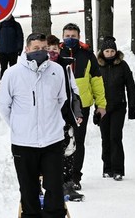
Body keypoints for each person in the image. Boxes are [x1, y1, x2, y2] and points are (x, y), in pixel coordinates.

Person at [0, 32, 68, 218]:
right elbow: (4, 106)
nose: (40, 51)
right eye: (36, 48)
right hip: (24, 142)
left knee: (54, 188)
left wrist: (49, 121)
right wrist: (20, 125)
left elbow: (61, 99)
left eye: (44, 48)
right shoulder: (12, 73)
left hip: (52, 140)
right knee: (28, 190)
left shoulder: (57, 70)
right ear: (27, 49)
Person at [59, 23, 106, 192]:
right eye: (67, 36)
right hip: (61, 106)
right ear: (62, 37)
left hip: (81, 106)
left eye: (73, 36)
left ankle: (75, 177)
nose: (70, 39)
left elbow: (97, 81)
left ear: (79, 37)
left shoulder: (87, 54)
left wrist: (101, 104)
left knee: (78, 142)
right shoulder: (57, 54)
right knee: (61, 142)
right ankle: (60, 176)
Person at [47, 35, 84, 201]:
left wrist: (77, 112)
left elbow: (74, 91)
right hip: (47, 118)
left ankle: (67, 184)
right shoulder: (40, 67)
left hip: (65, 116)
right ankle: (46, 187)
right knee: (48, 154)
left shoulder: (66, 66)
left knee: (68, 151)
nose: (52, 52)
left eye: (55, 49)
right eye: (48, 49)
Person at [96, 37, 135, 181]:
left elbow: (130, 86)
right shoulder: (97, 66)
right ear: (102, 52)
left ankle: (118, 169)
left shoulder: (122, 65)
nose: (110, 53)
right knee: (105, 138)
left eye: (112, 51)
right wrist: (95, 108)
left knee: (115, 137)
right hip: (102, 108)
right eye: (107, 51)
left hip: (118, 106)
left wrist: (132, 107)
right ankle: (107, 168)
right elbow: (92, 87)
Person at [0, 14, 24, 79]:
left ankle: (14, 81)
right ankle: (2, 81)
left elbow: (20, 37)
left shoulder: (16, 25)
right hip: (2, 51)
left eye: (9, 15)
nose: (7, 17)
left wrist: (20, 48)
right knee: (3, 68)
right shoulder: (0, 25)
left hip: (13, 51)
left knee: (13, 68)